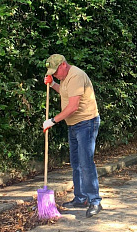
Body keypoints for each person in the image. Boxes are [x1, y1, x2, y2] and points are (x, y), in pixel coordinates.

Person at [43, 54, 102, 218]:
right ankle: (81, 198)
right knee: (76, 163)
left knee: (86, 163)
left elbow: (73, 106)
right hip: (74, 125)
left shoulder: (75, 75)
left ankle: (95, 201)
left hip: (86, 123)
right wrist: (53, 84)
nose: (54, 75)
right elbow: (64, 93)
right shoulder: (64, 78)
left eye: (55, 73)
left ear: (63, 65)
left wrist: (53, 121)